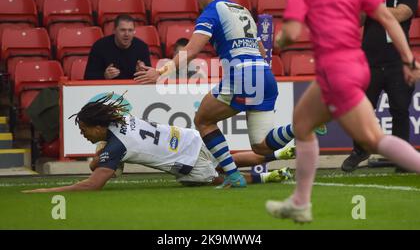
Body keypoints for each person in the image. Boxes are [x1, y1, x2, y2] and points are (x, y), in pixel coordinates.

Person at [265, 0, 420, 223]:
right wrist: (410, 59)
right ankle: (300, 201)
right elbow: (387, 18)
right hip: (354, 65)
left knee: (373, 139)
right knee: (302, 123)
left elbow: (292, 34)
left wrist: (280, 40)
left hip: (337, 70)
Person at [135, 0, 326, 189]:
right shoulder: (242, 10)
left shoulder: (212, 11)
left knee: (203, 120)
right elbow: (263, 52)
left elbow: (193, 50)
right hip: (264, 75)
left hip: (243, 75)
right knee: (261, 147)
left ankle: (234, 176)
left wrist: (160, 72)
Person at [22, 94, 296, 193]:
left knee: (223, 178)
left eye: (84, 130)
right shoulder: (121, 119)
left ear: (98, 126)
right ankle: (281, 152)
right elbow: (101, 162)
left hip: (188, 163)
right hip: (189, 137)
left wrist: (47, 191)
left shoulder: (117, 146)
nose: (83, 134)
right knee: (229, 159)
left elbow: (94, 183)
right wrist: (100, 157)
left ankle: (266, 178)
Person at [342, 0, 419, 172]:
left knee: (400, 110)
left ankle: (402, 157)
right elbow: (356, 21)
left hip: (397, 63)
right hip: (370, 61)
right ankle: (360, 149)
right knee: (363, 109)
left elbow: (401, 14)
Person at [84, 14, 151, 80]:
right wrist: (104, 76)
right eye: (122, 30)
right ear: (114, 31)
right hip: (108, 88)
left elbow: (149, 77)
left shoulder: (142, 47)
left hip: (134, 88)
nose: (126, 34)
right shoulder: (99, 46)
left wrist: (142, 72)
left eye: (130, 30)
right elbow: (88, 76)